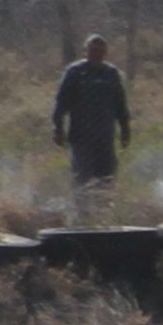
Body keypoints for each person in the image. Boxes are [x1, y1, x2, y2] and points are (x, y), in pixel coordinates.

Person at [50, 33, 130, 219]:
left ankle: (103, 216)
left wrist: (125, 129)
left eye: (100, 52)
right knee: (82, 179)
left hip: (105, 138)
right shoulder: (75, 72)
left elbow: (120, 104)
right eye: (93, 51)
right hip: (81, 137)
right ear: (86, 52)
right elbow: (61, 103)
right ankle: (82, 216)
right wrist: (58, 128)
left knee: (106, 178)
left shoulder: (111, 74)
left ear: (105, 53)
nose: (97, 55)